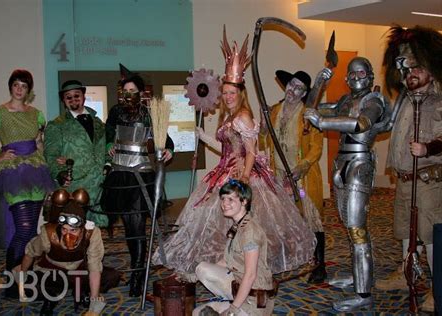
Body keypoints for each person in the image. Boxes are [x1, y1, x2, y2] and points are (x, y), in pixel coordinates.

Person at [153, 28, 315, 277]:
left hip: (243, 174)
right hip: (227, 169)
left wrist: (244, 180)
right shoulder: (230, 116)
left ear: (241, 93)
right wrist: (203, 136)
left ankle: (246, 267)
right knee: (221, 221)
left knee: (244, 223)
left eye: (232, 93)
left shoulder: (243, 117)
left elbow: (251, 152)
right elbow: (227, 149)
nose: (228, 97)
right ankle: (228, 263)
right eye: (225, 93)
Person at [304, 56, 391, 312]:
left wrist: (322, 123)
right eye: (351, 74)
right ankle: (360, 276)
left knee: (357, 229)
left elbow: (361, 123)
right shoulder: (345, 100)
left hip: (359, 164)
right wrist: (319, 83)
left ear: (370, 76)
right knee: (349, 226)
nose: (355, 78)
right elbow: (311, 110)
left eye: (361, 73)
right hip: (341, 164)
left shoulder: (372, 101)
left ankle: (364, 294)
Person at [375, 25, 442, 312]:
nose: (409, 74)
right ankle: (407, 276)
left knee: (429, 235)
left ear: (429, 67)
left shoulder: (439, 98)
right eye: (404, 68)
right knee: (405, 232)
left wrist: (429, 148)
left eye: (415, 68)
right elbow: (386, 125)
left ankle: (437, 289)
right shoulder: (403, 97)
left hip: (429, 180)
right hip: (403, 179)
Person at [0, 69, 54, 275]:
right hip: (14, 173)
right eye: (16, 84)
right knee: (23, 229)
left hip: (36, 172)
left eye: (24, 86)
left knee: (31, 230)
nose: (19, 89)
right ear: (10, 87)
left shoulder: (37, 114)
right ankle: (12, 276)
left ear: (28, 90)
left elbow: (39, 144)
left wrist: (45, 159)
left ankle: (24, 275)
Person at [100, 65, 174, 297]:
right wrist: (108, 147)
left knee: (137, 227)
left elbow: (165, 139)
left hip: (141, 174)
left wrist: (169, 149)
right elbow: (106, 135)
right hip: (119, 174)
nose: (129, 94)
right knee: (130, 228)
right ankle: (137, 270)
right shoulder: (115, 111)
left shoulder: (150, 113)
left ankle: (138, 275)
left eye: (133, 90)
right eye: (125, 90)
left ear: (141, 92)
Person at [260, 69, 326, 284]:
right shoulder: (274, 111)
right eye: (291, 85)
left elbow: (316, 147)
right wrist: (262, 127)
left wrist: (303, 166)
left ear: (304, 93)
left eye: (299, 88)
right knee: (281, 220)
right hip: (278, 176)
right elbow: (264, 140)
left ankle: (319, 265)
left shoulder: (309, 115)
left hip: (302, 179)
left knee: (311, 218)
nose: (293, 90)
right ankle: (288, 260)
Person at [15, 188, 120, 315]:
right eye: (64, 230)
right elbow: (30, 253)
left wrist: (94, 300)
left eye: (73, 230)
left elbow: (94, 267)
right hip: (53, 273)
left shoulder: (92, 233)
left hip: (79, 272)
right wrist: (23, 275)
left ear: (82, 228)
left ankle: (83, 291)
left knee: (111, 276)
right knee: (27, 284)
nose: (68, 234)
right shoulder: (48, 233)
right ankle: (51, 296)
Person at [193, 180, 276, 315]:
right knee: (198, 311)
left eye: (230, 199)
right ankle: (231, 301)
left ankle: (236, 306)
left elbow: (250, 275)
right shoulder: (238, 225)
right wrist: (193, 276)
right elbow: (227, 261)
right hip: (240, 286)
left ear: (244, 202)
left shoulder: (250, 232)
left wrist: (232, 310)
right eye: (223, 199)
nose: (224, 203)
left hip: (256, 300)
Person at [44, 80, 108, 227]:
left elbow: (105, 149)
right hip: (74, 185)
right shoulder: (56, 125)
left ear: (84, 96)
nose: (73, 99)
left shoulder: (99, 123)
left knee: (96, 230)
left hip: (98, 184)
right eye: (68, 97)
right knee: (73, 229)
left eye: (77, 95)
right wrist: (59, 173)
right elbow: (51, 155)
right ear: (63, 101)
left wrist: (108, 165)